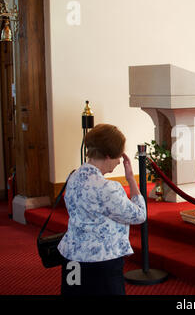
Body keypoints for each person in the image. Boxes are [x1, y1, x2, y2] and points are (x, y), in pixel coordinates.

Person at [58, 124, 147, 295]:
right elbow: (139, 215)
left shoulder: (74, 176)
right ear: (107, 156)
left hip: (72, 258)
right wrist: (131, 180)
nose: (120, 161)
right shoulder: (107, 188)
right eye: (118, 156)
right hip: (101, 262)